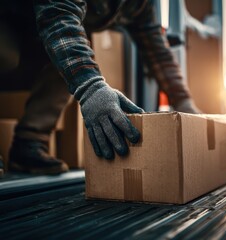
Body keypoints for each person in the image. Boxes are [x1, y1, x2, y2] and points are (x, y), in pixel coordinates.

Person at [0, 0, 201, 175]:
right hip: (10, 18)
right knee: (8, 56)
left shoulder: (140, 3)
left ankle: (28, 145)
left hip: (43, 30)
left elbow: (157, 50)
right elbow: (59, 16)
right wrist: (91, 87)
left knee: (71, 60)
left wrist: (183, 100)